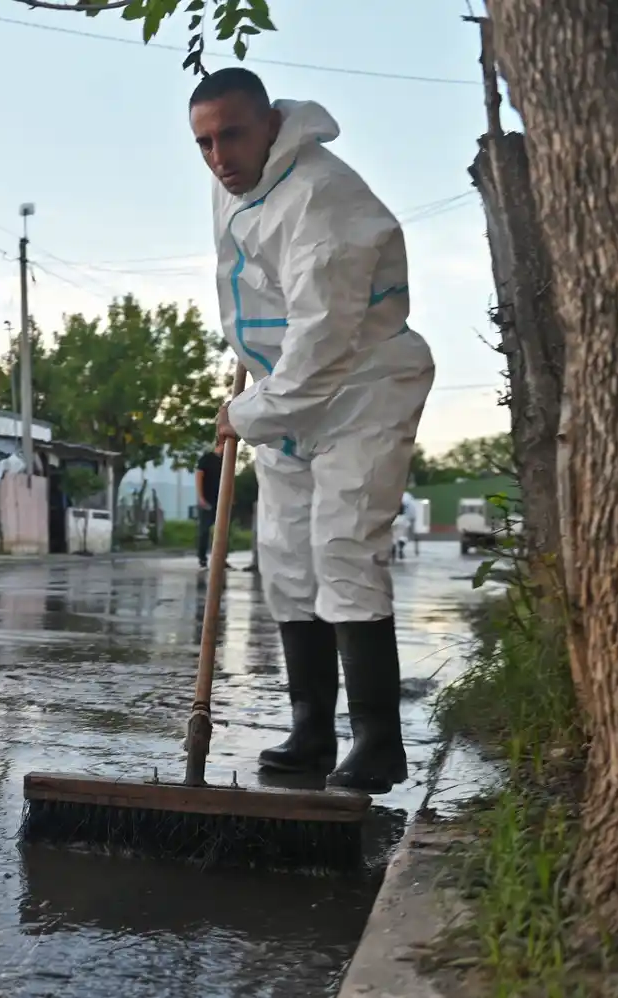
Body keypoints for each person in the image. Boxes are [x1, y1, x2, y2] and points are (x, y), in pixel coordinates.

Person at [189, 67, 435, 794]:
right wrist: (254, 382)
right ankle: (310, 731)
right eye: (203, 142)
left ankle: (378, 743)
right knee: (289, 558)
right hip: (286, 392)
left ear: (270, 123)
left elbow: (324, 340)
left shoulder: (324, 199)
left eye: (231, 134)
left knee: (342, 547)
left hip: (361, 385)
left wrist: (245, 415)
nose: (218, 156)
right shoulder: (236, 183)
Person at [195, 442, 225, 568]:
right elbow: (199, 476)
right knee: (204, 530)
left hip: (221, 500)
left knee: (223, 531)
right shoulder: (207, 459)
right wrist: (200, 497)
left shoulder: (226, 460)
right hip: (207, 499)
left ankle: (221, 559)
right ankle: (202, 559)